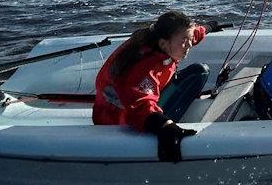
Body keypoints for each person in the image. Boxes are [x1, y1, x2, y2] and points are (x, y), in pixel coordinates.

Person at [93, 11, 218, 162]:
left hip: (139, 101)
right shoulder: (144, 65)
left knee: (199, 71)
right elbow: (139, 106)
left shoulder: (161, 40)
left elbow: (194, 35)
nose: (189, 45)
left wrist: (209, 27)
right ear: (163, 44)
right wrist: (166, 126)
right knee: (196, 73)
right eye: (185, 41)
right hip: (120, 120)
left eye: (190, 39)